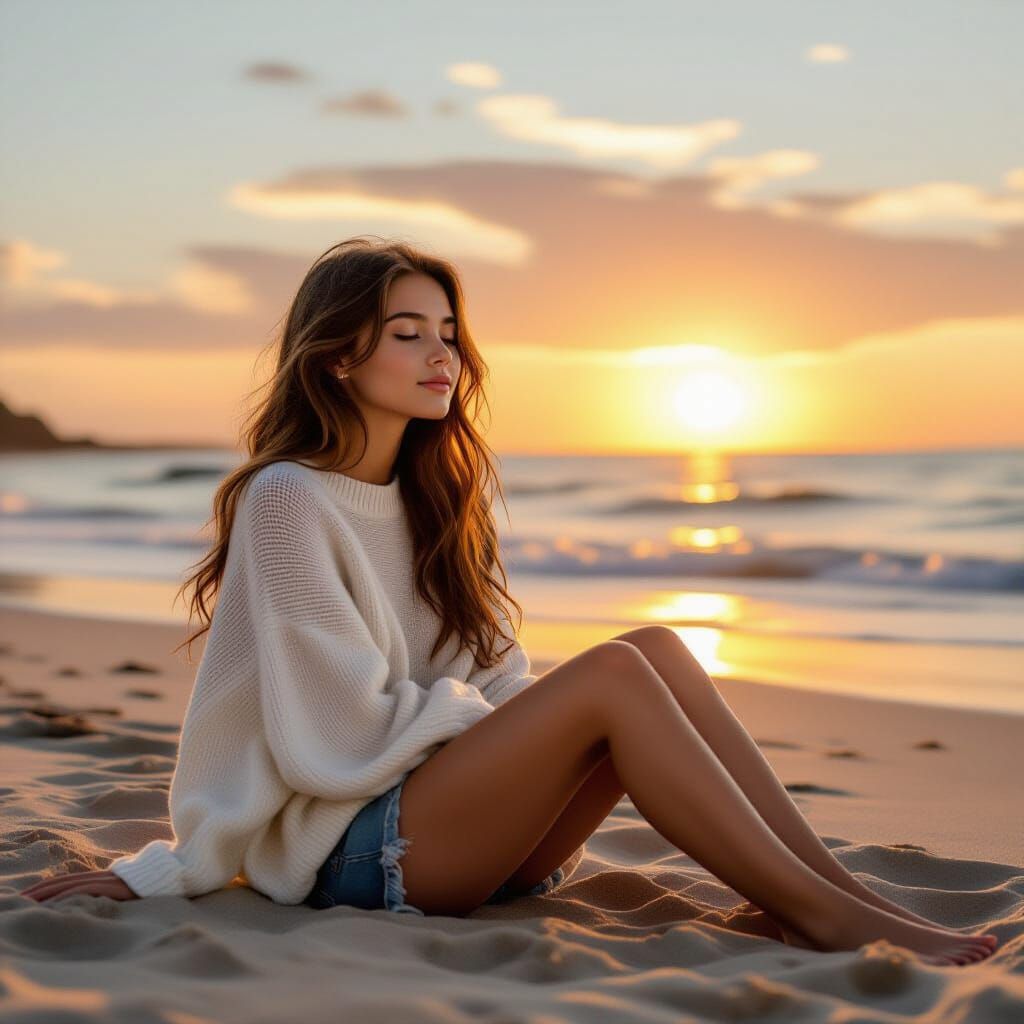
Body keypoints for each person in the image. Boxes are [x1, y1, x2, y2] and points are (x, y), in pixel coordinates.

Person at [20, 237, 997, 966]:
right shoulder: (288, 499)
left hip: (466, 831)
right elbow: (337, 735)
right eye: (406, 333)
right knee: (613, 671)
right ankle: (828, 916)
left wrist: (496, 728)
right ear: (335, 358)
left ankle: (824, 894)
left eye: (447, 332)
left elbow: (493, 673)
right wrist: (491, 728)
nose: (440, 353)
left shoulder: (440, 497)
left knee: (653, 644)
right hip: (354, 856)